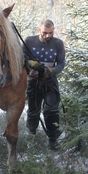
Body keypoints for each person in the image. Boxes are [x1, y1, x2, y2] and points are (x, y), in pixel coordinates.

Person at [23, 19, 65, 150]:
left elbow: (62, 63)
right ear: (39, 30)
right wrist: (29, 63)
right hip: (33, 81)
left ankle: (53, 140)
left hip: (50, 81)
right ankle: (32, 136)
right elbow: (20, 57)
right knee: (33, 111)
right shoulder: (29, 41)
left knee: (51, 110)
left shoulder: (58, 44)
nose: (48, 36)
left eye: (51, 33)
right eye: (45, 33)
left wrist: (52, 70)